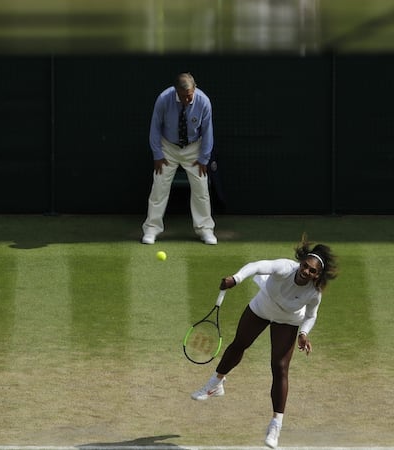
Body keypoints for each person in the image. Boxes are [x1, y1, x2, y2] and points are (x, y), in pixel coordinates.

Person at [190, 235, 338, 449]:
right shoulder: (284, 267)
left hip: (288, 319)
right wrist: (236, 278)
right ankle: (215, 383)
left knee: (280, 368)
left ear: (318, 275)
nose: (306, 271)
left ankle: (276, 424)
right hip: (262, 306)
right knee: (239, 344)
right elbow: (257, 266)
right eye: (305, 266)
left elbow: (311, 315)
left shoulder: (314, 293)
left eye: (312, 271)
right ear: (301, 262)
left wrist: (303, 334)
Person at [142, 72, 217, 245]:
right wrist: (158, 154)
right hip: (168, 146)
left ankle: (205, 229)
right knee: (159, 187)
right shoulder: (163, 99)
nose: (187, 100)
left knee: (201, 189)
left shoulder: (203, 101)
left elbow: (207, 132)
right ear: (176, 91)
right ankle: (152, 228)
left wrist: (204, 158)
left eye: (189, 96)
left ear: (194, 89)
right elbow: (155, 127)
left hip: (194, 148)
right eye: (183, 97)